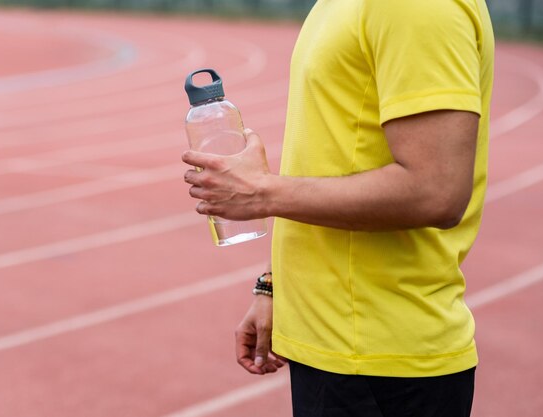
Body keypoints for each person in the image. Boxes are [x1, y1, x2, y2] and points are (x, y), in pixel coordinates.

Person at [182, 0, 494, 415]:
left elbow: (436, 190)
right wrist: (277, 285)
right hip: (339, 348)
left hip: (380, 362)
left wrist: (263, 193)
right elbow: (341, 154)